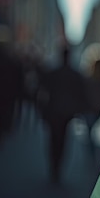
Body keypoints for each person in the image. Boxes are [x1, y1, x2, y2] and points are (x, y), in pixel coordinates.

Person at [37, 45, 87, 184]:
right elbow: (81, 96)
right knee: (63, 141)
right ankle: (57, 167)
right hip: (66, 114)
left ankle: (54, 167)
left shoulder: (53, 74)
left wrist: (43, 112)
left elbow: (42, 93)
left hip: (54, 112)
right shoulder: (74, 75)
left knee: (53, 140)